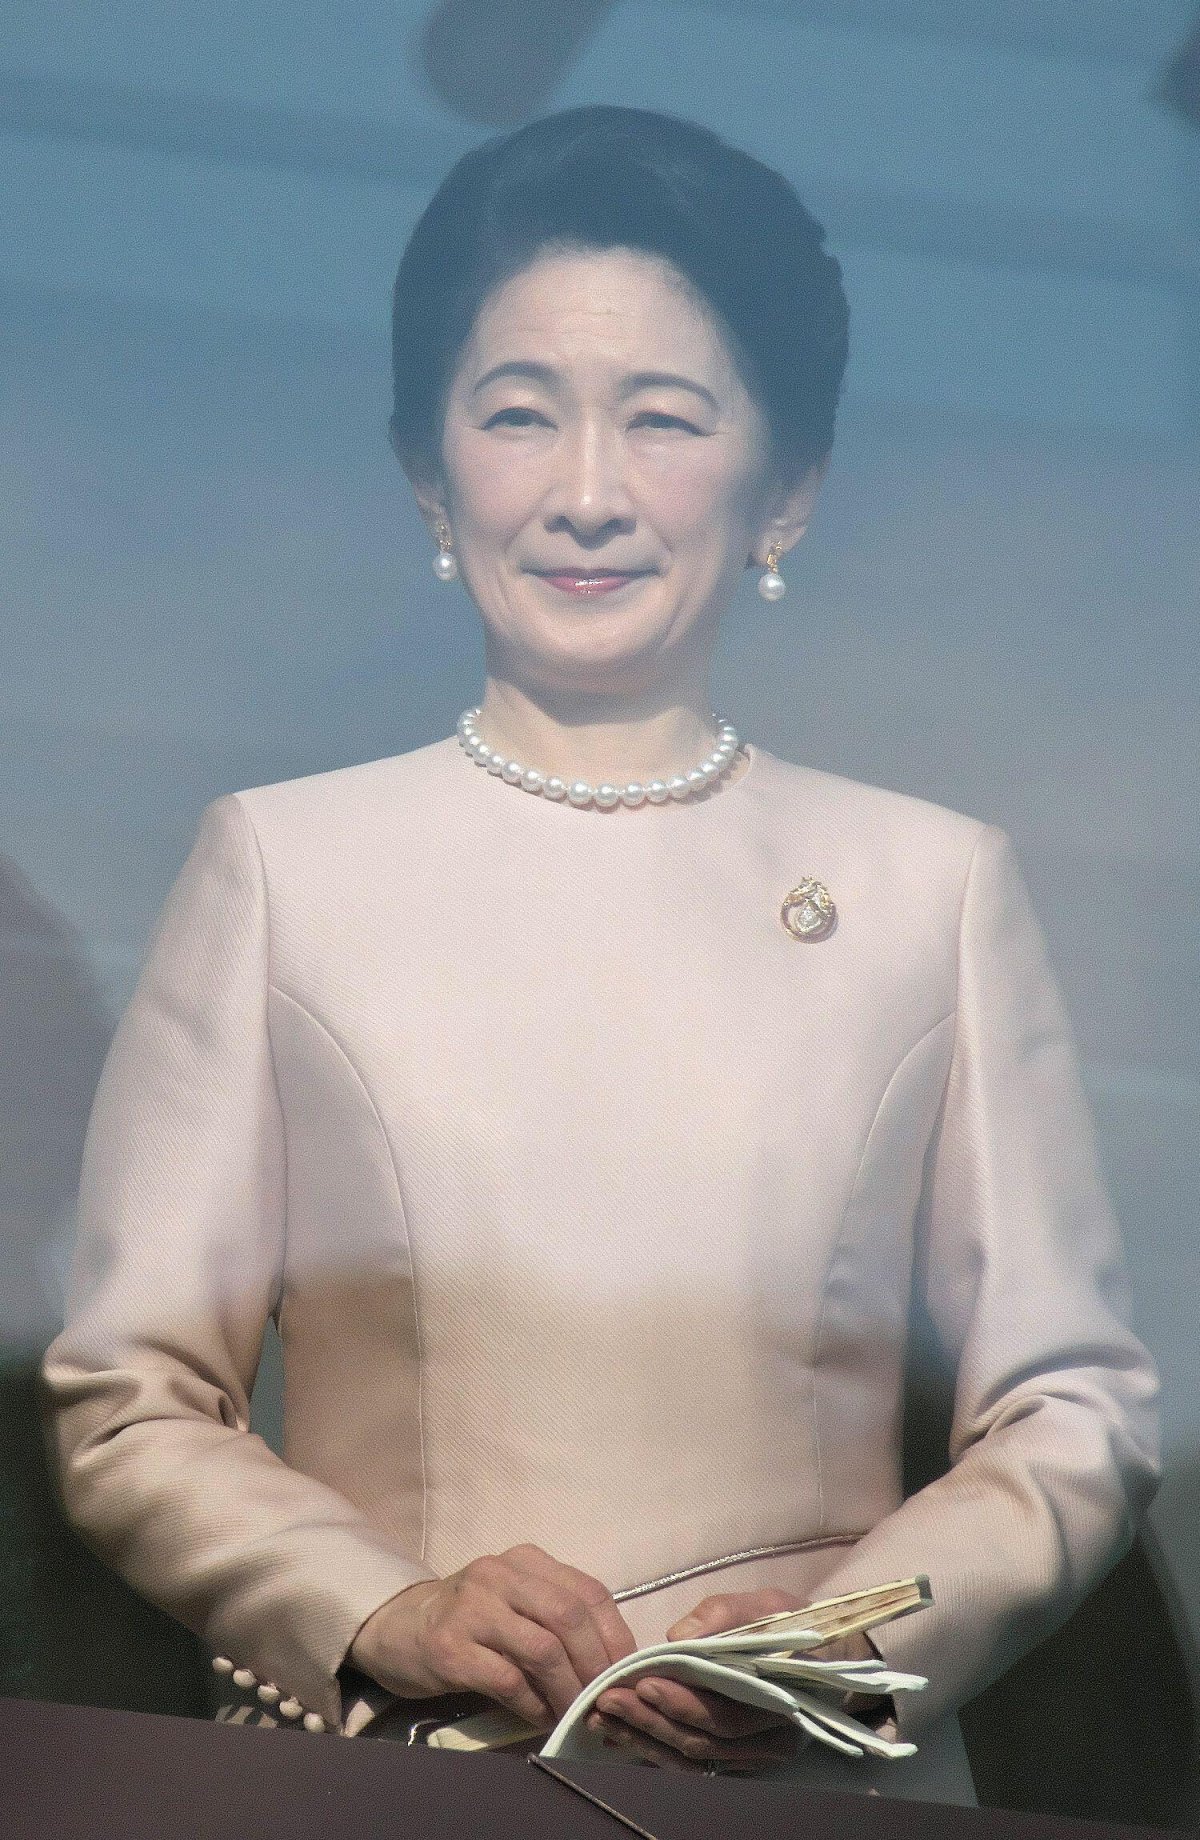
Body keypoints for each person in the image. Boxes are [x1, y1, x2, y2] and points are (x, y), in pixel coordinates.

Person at [39, 104, 1160, 1806]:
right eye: (518, 414)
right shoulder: (282, 864)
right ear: (429, 469)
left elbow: (1073, 1410)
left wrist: (846, 1644)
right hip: (397, 1780)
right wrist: (389, 1610)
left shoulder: (933, 887)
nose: (584, 492)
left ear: (787, 482)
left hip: (817, 1784)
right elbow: (127, 1396)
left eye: (663, 419)